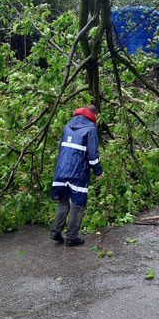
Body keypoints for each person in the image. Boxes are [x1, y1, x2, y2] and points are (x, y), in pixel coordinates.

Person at [50, 105, 103, 247]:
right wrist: (99, 171)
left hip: (61, 170)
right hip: (78, 172)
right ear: (93, 115)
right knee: (77, 205)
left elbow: (61, 149)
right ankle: (72, 237)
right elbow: (92, 155)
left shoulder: (68, 126)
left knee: (63, 201)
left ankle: (56, 232)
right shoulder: (91, 129)